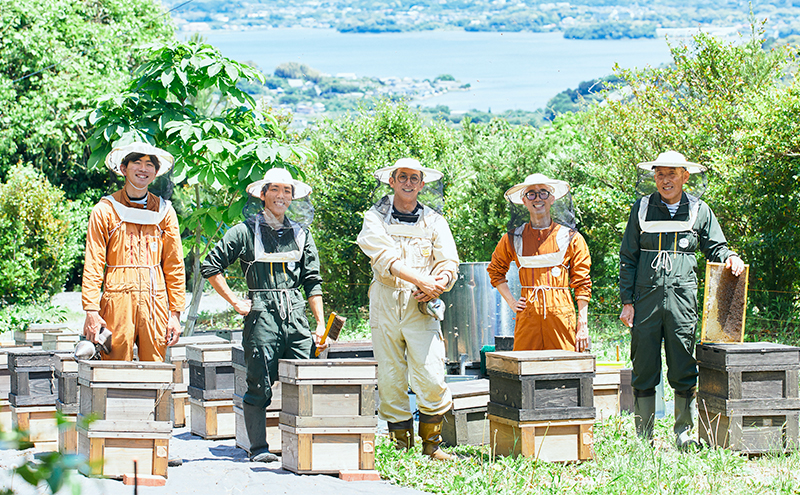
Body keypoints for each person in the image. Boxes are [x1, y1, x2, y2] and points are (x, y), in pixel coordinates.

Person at [618, 151, 745, 448]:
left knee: (683, 364)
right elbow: (628, 257)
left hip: (682, 300)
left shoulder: (699, 210)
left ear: (685, 176)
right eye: (660, 174)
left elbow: (718, 248)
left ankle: (683, 434)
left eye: (671, 174)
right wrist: (627, 301)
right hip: (645, 300)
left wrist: (732, 258)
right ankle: (643, 436)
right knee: (644, 364)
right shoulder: (642, 208)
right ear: (654, 177)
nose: (665, 180)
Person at [201, 167, 326, 463]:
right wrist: (235, 301)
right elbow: (211, 266)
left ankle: (307, 446)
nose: (281, 196)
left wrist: (319, 322)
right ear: (262, 194)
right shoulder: (244, 231)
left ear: (293, 197)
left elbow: (313, 280)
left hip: (296, 315)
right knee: (259, 383)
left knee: (307, 379)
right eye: (275, 190)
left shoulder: (301, 233)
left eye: (287, 191)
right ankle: (258, 448)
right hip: (261, 315)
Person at [356, 157, 459, 461]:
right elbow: (386, 258)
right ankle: (401, 445)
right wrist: (423, 280)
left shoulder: (435, 221)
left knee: (431, 372)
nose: (408, 183)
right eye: (403, 177)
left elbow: (448, 261)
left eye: (415, 178)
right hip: (386, 301)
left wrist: (440, 281)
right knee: (390, 374)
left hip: (421, 305)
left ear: (422, 184)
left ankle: (433, 445)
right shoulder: (374, 218)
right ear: (391, 180)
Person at [82, 142, 185, 361]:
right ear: (123, 168)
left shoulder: (165, 211)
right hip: (116, 299)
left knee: (156, 369)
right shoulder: (105, 210)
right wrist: (91, 310)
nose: (143, 169)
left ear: (156, 172)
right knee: (114, 368)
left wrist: (175, 314)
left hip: (155, 298)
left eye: (149, 164)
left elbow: (174, 265)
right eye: (136, 162)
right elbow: (94, 263)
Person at [487, 173, 592, 352]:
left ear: (552, 198)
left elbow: (582, 283)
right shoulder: (513, 238)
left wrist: (582, 324)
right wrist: (512, 302)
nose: (538, 198)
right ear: (524, 201)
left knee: (565, 370)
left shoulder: (571, 238)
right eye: (531, 194)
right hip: (528, 318)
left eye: (543, 192)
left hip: (561, 317)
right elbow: (495, 271)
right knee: (526, 371)